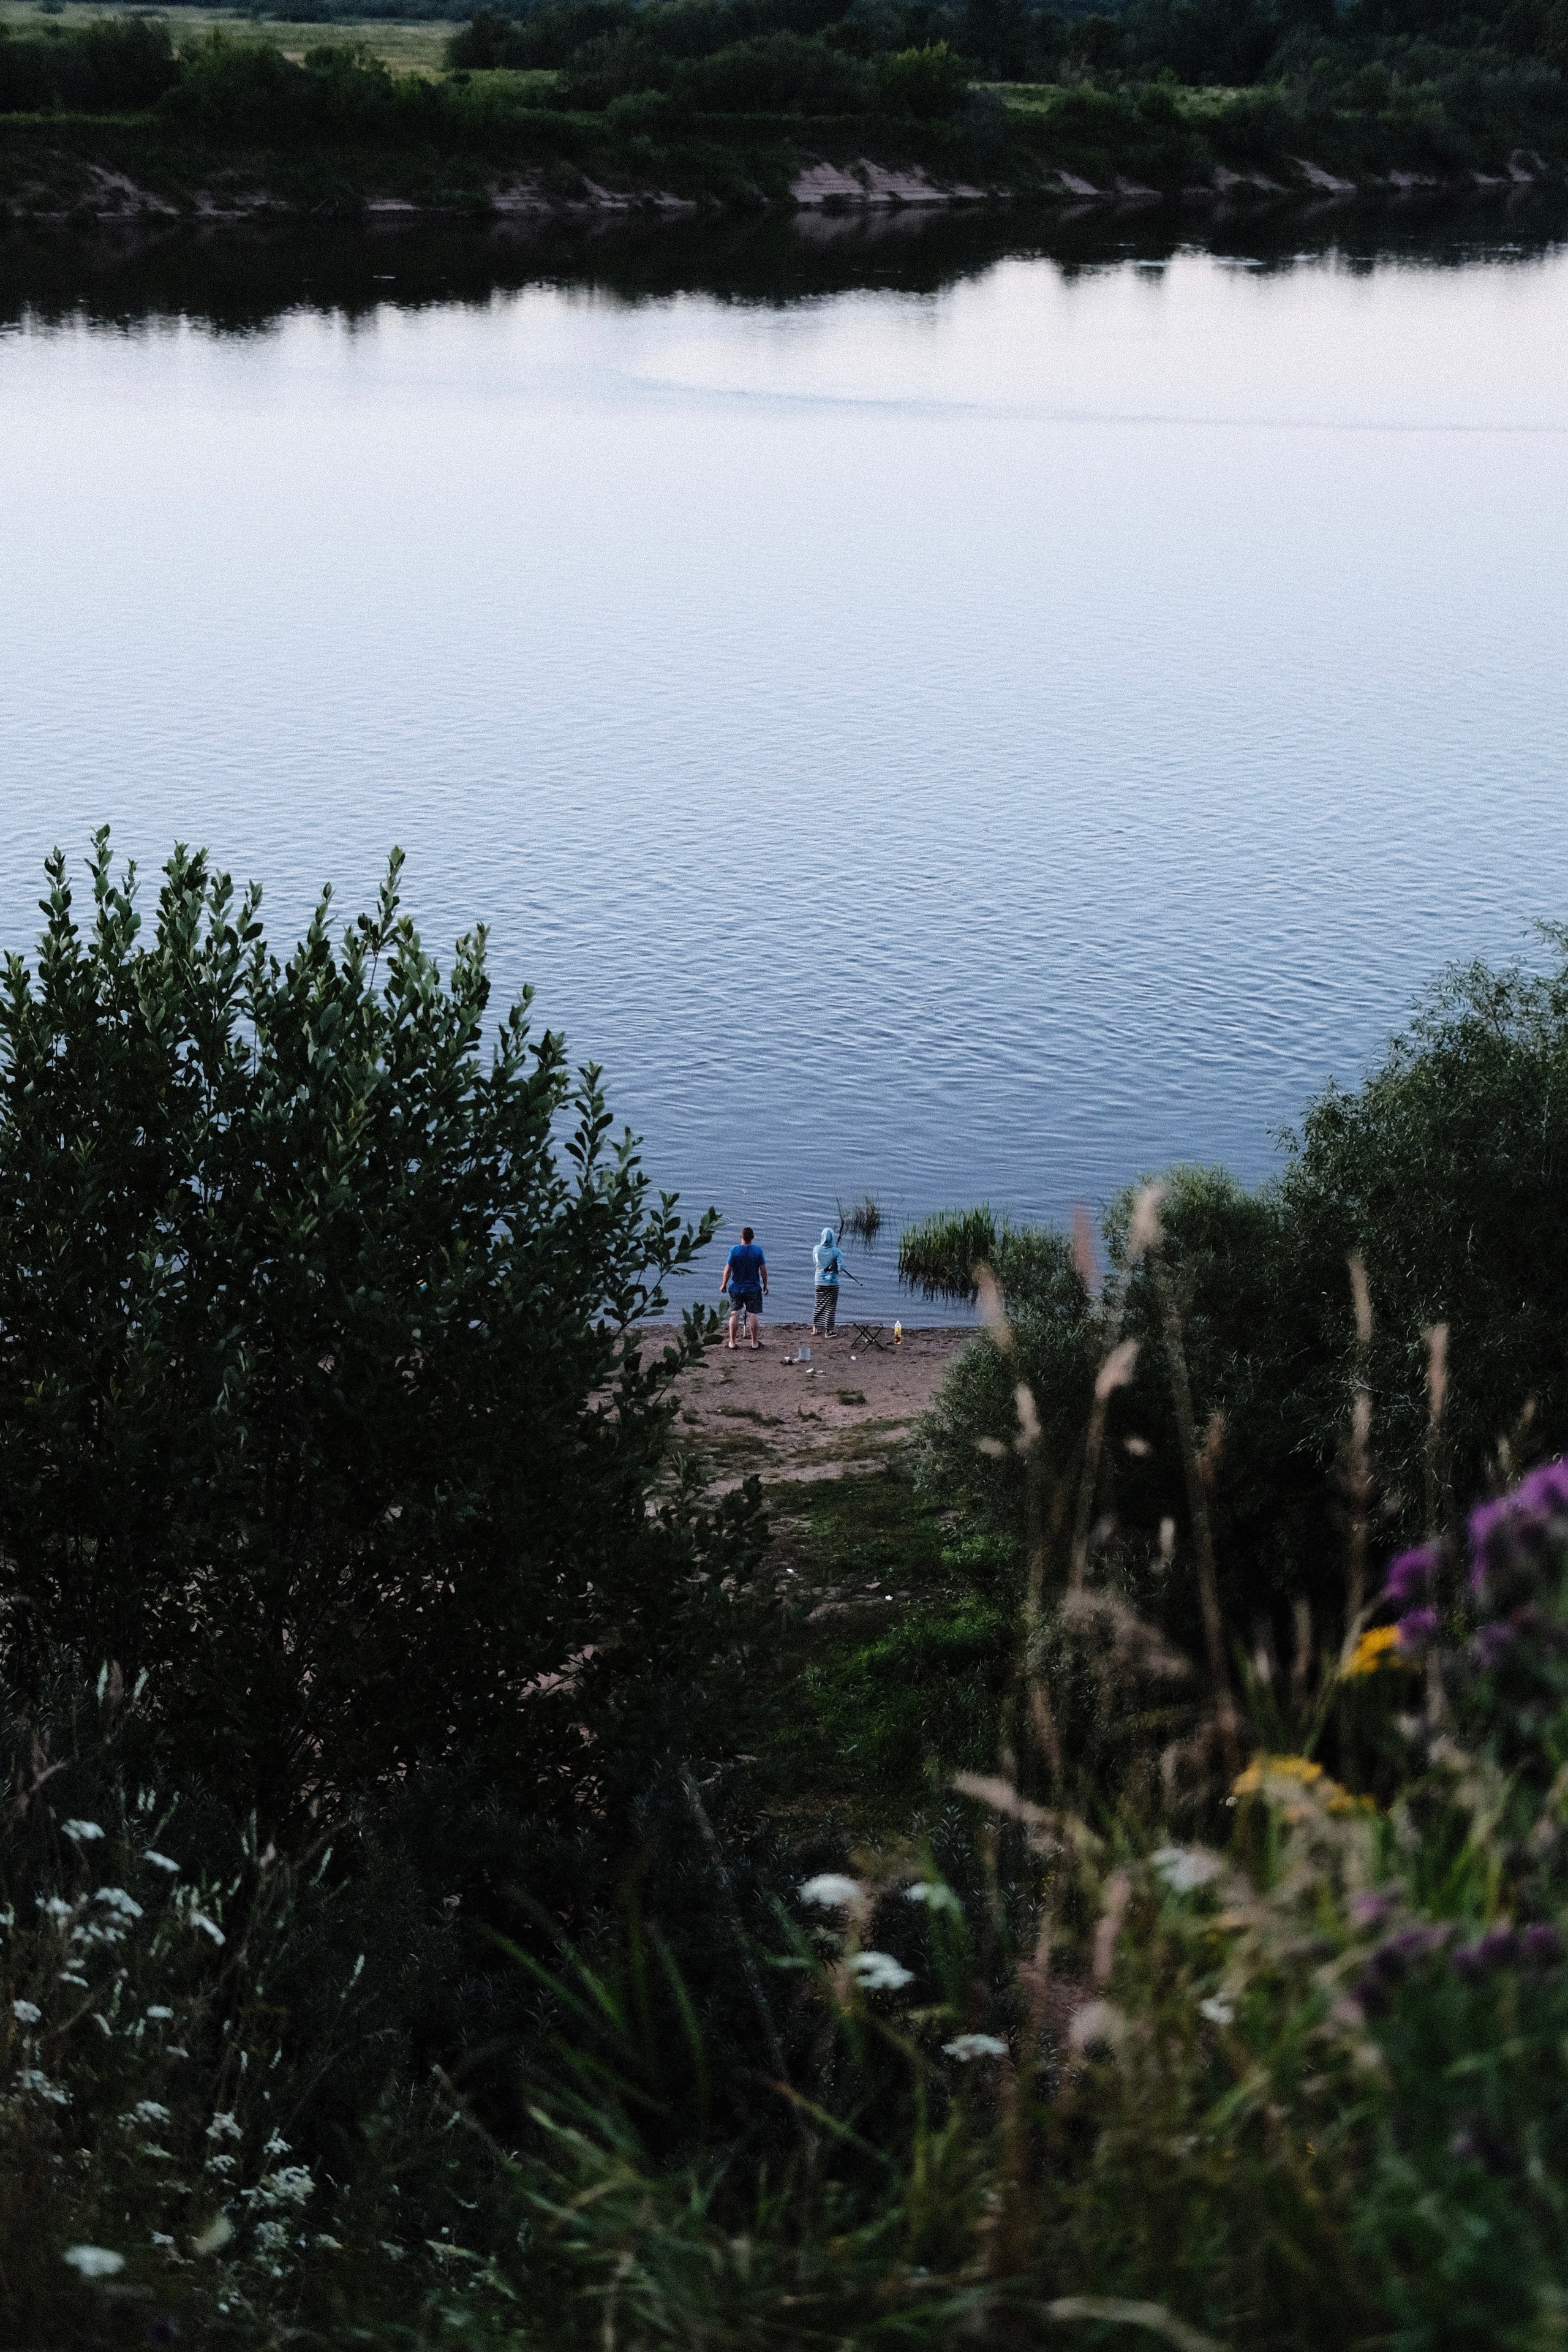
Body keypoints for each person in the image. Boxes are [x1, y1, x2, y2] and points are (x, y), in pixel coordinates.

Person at [721, 1226, 768, 1350]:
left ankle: (732, 1342)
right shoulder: (758, 1251)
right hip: (753, 1288)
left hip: (736, 1288)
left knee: (735, 1313)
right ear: (752, 1238)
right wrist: (766, 1285)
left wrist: (724, 1284)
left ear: (741, 1237)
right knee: (752, 1314)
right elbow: (763, 1269)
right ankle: (754, 1343)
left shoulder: (734, 1251)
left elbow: (728, 1270)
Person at [812, 1224, 843, 1335]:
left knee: (818, 1304)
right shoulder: (837, 1251)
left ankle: (815, 1329)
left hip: (819, 1282)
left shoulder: (816, 1249)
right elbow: (841, 1268)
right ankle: (828, 1331)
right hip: (833, 1283)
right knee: (831, 1306)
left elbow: (816, 1263)